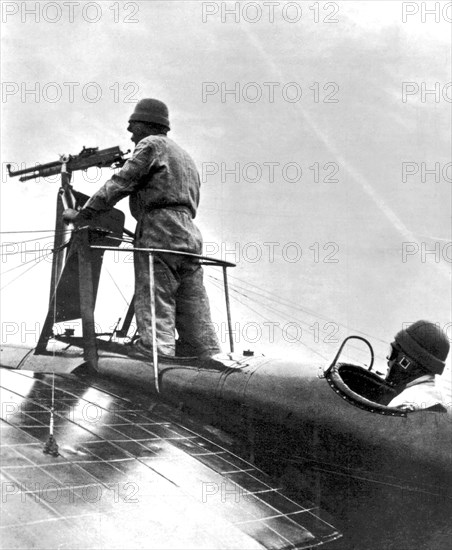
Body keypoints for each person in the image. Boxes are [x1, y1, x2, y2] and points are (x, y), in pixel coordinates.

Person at [63, 98, 221, 359]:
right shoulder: (185, 156)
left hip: (159, 230)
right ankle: (206, 352)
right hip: (190, 235)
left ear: (147, 125)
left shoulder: (150, 145)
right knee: (192, 300)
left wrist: (84, 214)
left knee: (155, 292)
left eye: (133, 125)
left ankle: (155, 351)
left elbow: (120, 183)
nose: (130, 132)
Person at [385, 320, 450, 411]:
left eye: (392, 353)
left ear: (405, 363)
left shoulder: (402, 404)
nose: (388, 359)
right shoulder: (437, 397)